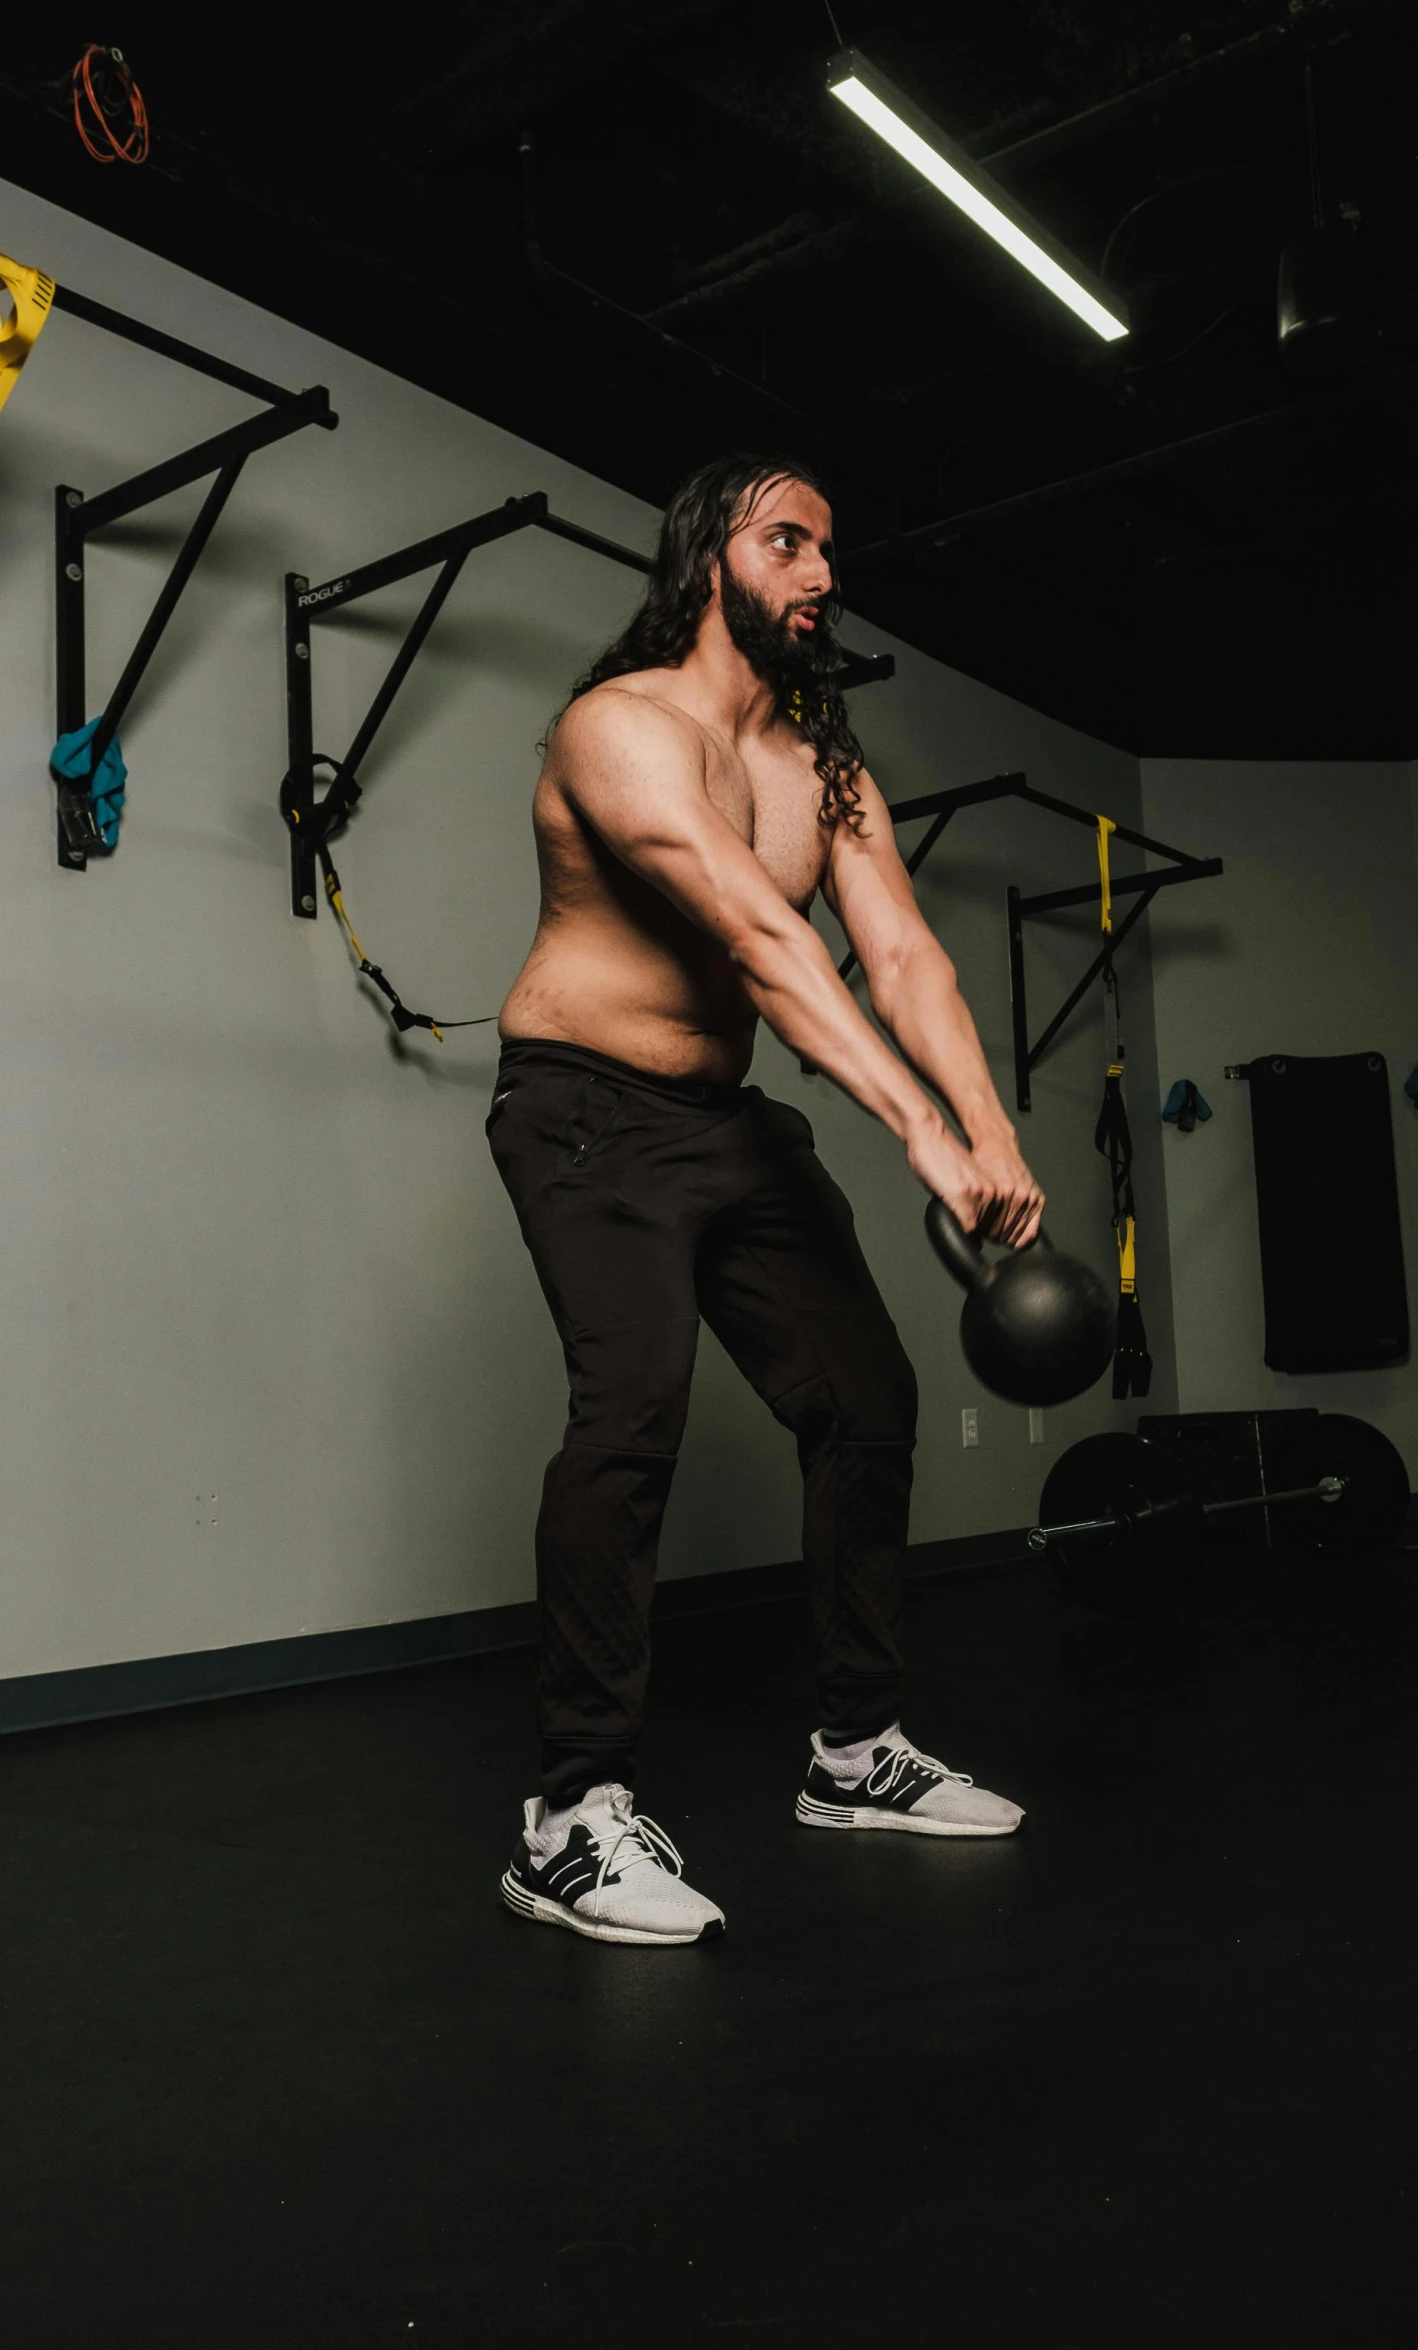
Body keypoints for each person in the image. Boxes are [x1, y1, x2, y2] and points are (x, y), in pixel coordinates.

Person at [488, 453, 1045, 1947]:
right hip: (584, 1110)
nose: (818, 572)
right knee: (632, 1412)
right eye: (784, 540)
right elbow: (752, 935)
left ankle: (857, 1753)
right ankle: (568, 1817)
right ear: (707, 556)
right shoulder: (620, 727)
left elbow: (904, 956)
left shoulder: (823, 767)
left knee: (867, 1394)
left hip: (721, 1122)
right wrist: (917, 1131)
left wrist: (992, 1131)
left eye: (827, 552)